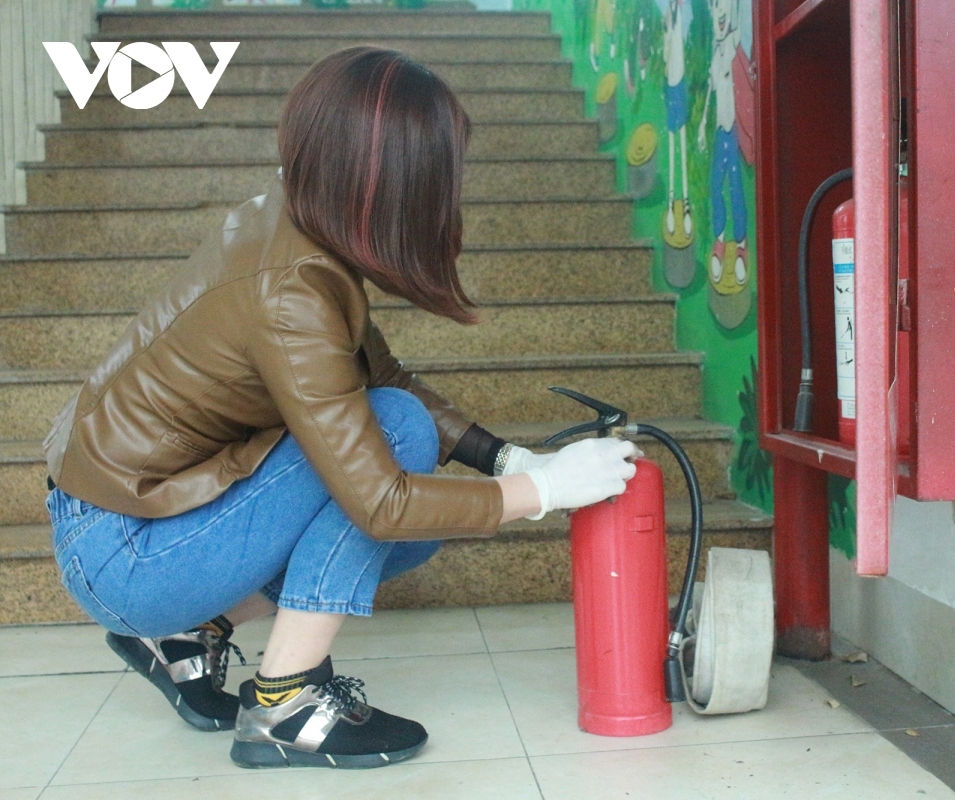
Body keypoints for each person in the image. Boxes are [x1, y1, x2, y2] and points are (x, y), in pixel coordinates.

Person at [42, 47, 638, 771]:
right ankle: (286, 707)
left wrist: (507, 459)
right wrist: (544, 491)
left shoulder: (296, 221)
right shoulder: (293, 290)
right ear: (394, 179)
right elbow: (381, 499)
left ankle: (191, 633)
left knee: (413, 526)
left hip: (131, 521)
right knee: (399, 440)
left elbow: (377, 371)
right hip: (124, 551)